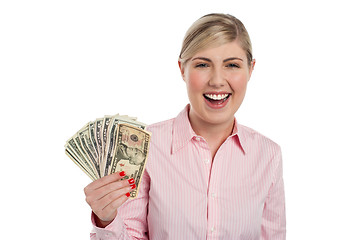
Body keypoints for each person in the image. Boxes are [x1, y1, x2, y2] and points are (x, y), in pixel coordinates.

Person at [84, 13, 286, 239]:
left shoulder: (269, 155)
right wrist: (106, 219)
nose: (217, 80)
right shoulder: (145, 147)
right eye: (202, 64)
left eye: (232, 65)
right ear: (182, 69)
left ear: (251, 69)